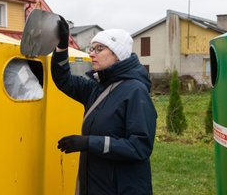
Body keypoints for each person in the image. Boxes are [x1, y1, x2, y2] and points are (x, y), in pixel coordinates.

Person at [51, 16, 157, 195]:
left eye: (99, 49)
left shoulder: (135, 91)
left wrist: (89, 142)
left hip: (122, 188)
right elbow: (64, 80)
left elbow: (139, 147)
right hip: (96, 184)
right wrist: (62, 47)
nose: (92, 53)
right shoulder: (98, 87)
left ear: (118, 54)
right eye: (92, 48)